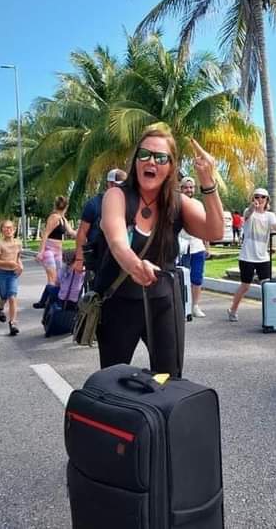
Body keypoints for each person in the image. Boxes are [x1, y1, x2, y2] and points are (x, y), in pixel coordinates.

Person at [96, 128, 224, 376]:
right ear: (135, 161)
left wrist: (208, 181)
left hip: (164, 301)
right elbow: (117, 243)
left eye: (160, 157)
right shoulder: (116, 195)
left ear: (171, 167)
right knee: (113, 377)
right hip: (118, 301)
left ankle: (160, 415)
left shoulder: (178, 203)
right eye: (144, 154)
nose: (151, 161)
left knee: (167, 378)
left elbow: (215, 231)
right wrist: (136, 266)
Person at [227, 188, 276, 322]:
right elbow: (247, 214)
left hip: (263, 257)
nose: (260, 200)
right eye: (257, 197)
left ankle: (271, 314)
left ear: (267, 200)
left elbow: (275, 225)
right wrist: (251, 207)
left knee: (266, 286)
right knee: (245, 286)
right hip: (247, 256)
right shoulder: (249, 212)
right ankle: (233, 310)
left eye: (263, 197)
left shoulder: (269, 215)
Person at [73, 168, 128, 279]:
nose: (120, 189)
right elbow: (82, 232)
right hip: (98, 258)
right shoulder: (94, 204)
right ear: (109, 184)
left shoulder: (129, 202)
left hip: (122, 258)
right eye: (116, 185)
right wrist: (79, 258)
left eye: (123, 186)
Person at [33, 196, 77, 308]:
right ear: (66, 207)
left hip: (58, 251)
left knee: (57, 279)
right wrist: (41, 252)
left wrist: (85, 234)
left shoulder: (63, 219)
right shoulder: (54, 217)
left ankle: (44, 301)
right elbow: (46, 234)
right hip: (48, 251)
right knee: (52, 278)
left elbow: (72, 232)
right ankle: (49, 303)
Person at [178, 176, 208, 318]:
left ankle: (195, 306)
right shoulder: (175, 204)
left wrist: (207, 246)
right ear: (181, 188)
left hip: (197, 246)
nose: (189, 190)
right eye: (186, 187)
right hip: (181, 247)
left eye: (191, 187)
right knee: (181, 278)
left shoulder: (198, 204)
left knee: (197, 278)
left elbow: (204, 226)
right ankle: (181, 306)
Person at [0, 220, 23, 336]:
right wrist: (9, 263)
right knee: (4, 296)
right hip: (1, 274)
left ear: (14, 229)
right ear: (2, 231)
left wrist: (20, 265)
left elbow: (18, 257)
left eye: (10, 228)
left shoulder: (18, 243)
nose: (8, 230)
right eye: (5, 228)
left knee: (12, 296)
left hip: (13, 274)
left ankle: (13, 323)